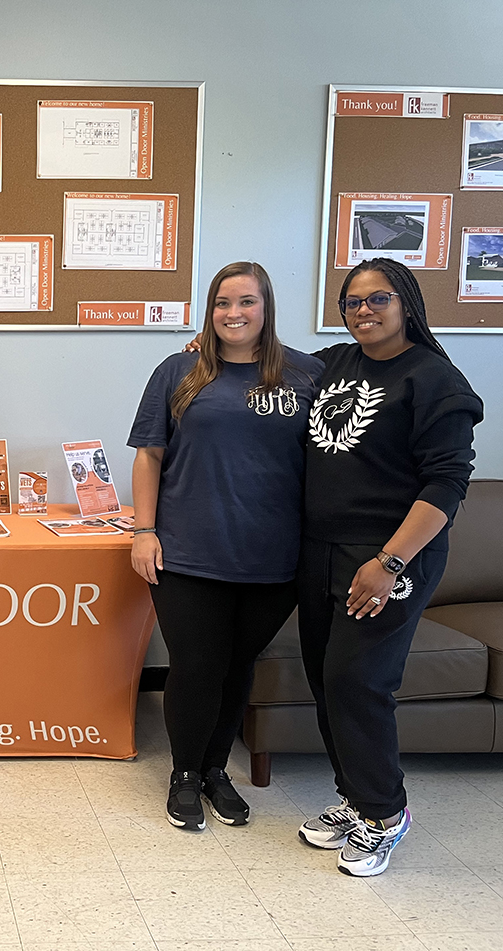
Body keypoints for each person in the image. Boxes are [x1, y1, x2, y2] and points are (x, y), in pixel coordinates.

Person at [295, 259, 482, 876]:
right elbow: (266, 365)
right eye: (352, 302)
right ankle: (354, 799)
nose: (364, 311)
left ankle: (385, 811)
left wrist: (389, 561)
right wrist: (206, 345)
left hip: (386, 555)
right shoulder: (333, 363)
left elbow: (448, 484)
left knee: (358, 681)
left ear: (406, 302)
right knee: (327, 678)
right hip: (320, 549)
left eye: (378, 299)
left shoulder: (435, 381)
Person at [127, 261, 322, 832]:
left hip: (274, 554)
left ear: (267, 308)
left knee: (239, 665)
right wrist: (144, 531)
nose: (233, 314)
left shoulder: (308, 375)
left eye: (246, 302)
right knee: (196, 663)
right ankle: (185, 774)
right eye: (222, 303)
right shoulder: (179, 371)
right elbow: (148, 454)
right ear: (208, 310)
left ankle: (217, 771)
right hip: (187, 549)